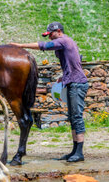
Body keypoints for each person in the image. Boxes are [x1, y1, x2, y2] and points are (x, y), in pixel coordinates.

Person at [9, 22, 89, 162]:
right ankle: (74, 151)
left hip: (77, 84)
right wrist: (64, 77)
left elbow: (43, 46)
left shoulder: (63, 41)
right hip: (72, 82)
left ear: (58, 31)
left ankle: (79, 153)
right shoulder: (67, 42)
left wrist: (20, 46)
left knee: (76, 117)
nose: (50, 38)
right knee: (72, 117)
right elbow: (75, 62)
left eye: (51, 35)